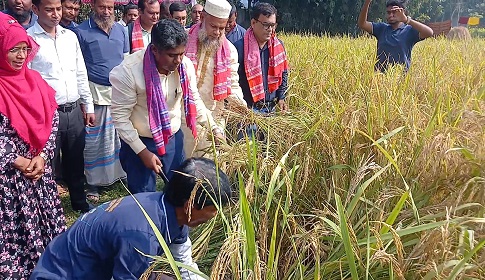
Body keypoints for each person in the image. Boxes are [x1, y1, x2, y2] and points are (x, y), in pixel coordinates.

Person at [31, 157, 233, 280]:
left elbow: (183, 262)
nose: (216, 214)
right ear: (190, 205)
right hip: (63, 275)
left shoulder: (169, 210)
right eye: (214, 207)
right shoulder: (142, 235)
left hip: (91, 266)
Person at [110, 19, 223, 194]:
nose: (178, 60)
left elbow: (193, 100)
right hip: (140, 141)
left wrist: (213, 128)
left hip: (172, 139)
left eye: (182, 54)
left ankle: (174, 222)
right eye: (172, 55)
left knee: (179, 191)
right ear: (155, 50)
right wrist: (142, 152)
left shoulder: (184, 66)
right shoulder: (128, 72)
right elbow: (120, 118)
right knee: (143, 196)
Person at [0, 13, 66, 279]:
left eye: (24, 48)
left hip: (39, 174)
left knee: (46, 231)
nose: (19, 55)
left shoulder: (35, 81)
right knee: (15, 236)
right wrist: (16, 160)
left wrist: (42, 156)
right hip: (8, 182)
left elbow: (52, 118)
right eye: (12, 49)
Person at [28, 0, 95, 212]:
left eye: (58, 9)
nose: (56, 14)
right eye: (49, 9)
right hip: (46, 112)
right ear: (36, 9)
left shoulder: (70, 37)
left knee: (75, 157)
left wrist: (88, 105)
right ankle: (47, 207)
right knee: (46, 161)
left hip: (73, 110)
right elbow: (26, 78)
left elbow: (80, 72)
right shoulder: (28, 39)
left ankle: (79, 202)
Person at [76, 0, 128, 203]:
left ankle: (117, 176)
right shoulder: (81, 32)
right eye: (102, 7)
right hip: (94, 93)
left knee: (118, 138)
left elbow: (126, 60)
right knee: (94, 141)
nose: (106, 12)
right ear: (93, 7)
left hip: (119, 94)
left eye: (110, 8)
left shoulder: (121, 31)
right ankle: (93, 183)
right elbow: (78, 67)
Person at [184, 0, 245, 157]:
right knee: (184, 169)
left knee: (210, 170)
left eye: (222, 28)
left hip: (214, 117)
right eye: (214, 26)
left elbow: (232, 84)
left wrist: (241, 106)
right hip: (184, 116)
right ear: (203, 17)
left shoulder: (229, 50)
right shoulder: (183, 41)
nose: (218, 32)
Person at [233, 2, 288, 140]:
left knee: (268, 153)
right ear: (253, 22)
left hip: (271, 111)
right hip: (247, 112)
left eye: (273, 25)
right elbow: (233, 82)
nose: (270, 29)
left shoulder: (278, 46)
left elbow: (284, 72)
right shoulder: (239, 48)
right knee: (247, 154)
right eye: (266, 25)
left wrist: (281, 97)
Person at [357, 0, 434, 72]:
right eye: (388, 12)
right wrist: (367, 2)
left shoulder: (409, 31)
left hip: (400, 79)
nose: (391, 15)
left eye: (394, 12)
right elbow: (362, 24)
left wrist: (407, 20)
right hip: (379, 79)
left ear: (402, 12)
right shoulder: (381, 28)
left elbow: (429, 32)